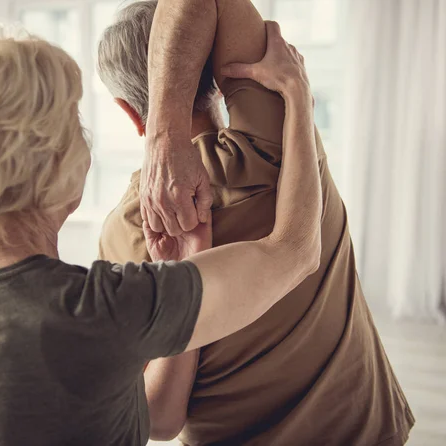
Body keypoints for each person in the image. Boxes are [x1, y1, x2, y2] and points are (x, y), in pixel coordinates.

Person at [0, 22, 321, 446]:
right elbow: (296, 252)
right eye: (74, 122)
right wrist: (299, 97)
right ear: (59, 163)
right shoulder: (104, 306)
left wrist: (181, 266)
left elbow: (159, 419)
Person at [97, 1, 415, 445]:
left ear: (129, 113)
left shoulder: (125, 232)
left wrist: (160, 134)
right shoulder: (279, 134)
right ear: (213, 72)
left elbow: (157, 418)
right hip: (367, 431)